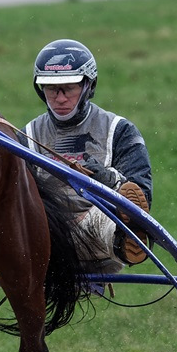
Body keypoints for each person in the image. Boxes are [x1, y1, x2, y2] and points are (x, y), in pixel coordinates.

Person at [23, 39, 153, 274]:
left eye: (69, 88)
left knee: (111, 214)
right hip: (47, 234)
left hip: (98, 229)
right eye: (51, 89)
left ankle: (129, 238)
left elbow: (142, 193)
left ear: (88, 85)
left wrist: (108, 179)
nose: (60, 98)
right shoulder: (27, 136)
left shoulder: (119, 130)